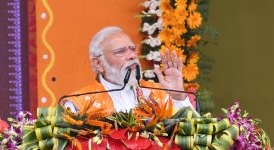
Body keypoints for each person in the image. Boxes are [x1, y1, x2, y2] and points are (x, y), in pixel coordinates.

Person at [63, 26, 193, 115]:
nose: (132, 56)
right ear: (98, 63)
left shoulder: (158, 94)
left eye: (132, 48)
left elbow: (195, 139)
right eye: (120, 51)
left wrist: (178, 97)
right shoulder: (79, 104)